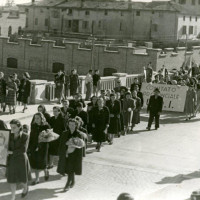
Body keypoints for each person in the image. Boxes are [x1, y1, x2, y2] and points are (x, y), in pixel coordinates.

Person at [57, 118, 85, 191]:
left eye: (73, 125)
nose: (71, 126)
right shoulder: (65, 133)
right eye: (70, 124)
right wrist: (61, 153)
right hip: (66, 154)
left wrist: (81, 156)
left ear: (76, 125)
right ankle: (73, 181)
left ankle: (68, 184)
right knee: (69, 168)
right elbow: (61, 144)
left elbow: (81, 146)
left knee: (70, 168)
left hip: (75, 155)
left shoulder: (79, 134)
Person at [7, 119, 31, 200]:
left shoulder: (25, 136)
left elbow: (23, 149)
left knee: (22, 179)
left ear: (19, 127)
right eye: (11, 127)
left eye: (14, 127)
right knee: (12, 179)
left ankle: (25, 188)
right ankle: (13, 197)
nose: (12, 129)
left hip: (21, 159)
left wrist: (10, 152)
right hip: (11, 160)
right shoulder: (9, 135)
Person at [29, 113, 50, 185]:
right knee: (35, 163)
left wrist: (40, 144)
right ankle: (37, 179)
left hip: (43, 147)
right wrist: (29, 147)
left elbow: (49, 136)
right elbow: (31, 136)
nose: (36, 119)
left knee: (42, 162)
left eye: (38, 118)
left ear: (42, 118)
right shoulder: (33, 125)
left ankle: (46, 171)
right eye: (35, 118)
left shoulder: (46, 126)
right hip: (34, 146)